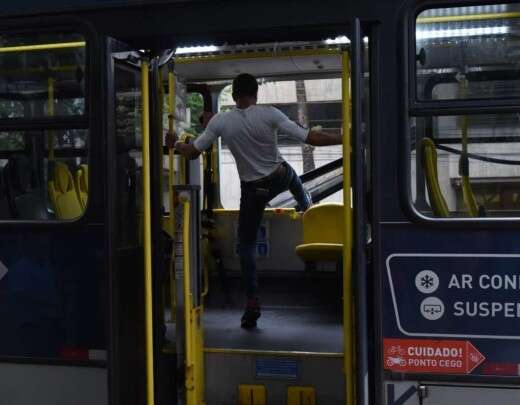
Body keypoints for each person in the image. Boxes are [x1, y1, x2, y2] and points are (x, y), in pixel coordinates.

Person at [171, 73, 342, 328]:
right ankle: (306, 205)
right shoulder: (270, 114)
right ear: (256, 94)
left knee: (246, 246)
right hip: (278, 177)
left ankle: (252, 302)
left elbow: (192, 153)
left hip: (252, 191)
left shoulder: (220, 122)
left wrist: (174, 143)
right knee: (291, 173)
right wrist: (344, 136)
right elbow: (312, 139)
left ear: (234, 94)